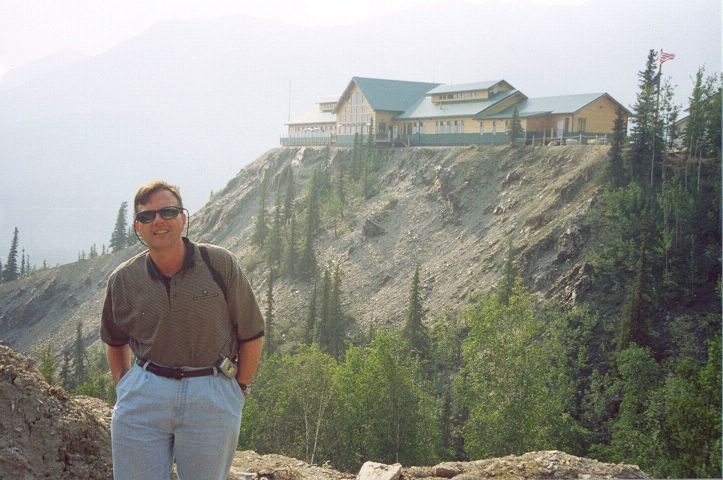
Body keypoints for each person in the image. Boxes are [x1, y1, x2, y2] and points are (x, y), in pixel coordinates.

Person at [100, 180, 264, 480]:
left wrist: (238, 390)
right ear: (137, 227)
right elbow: (115, 339)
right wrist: (125, 386)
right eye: (147, 216)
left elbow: (251, 333)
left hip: (211, 392)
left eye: (168, 212)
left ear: (183, 218)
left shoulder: (219, 264)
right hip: (145, 391)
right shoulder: (123, 279)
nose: (158, 221)